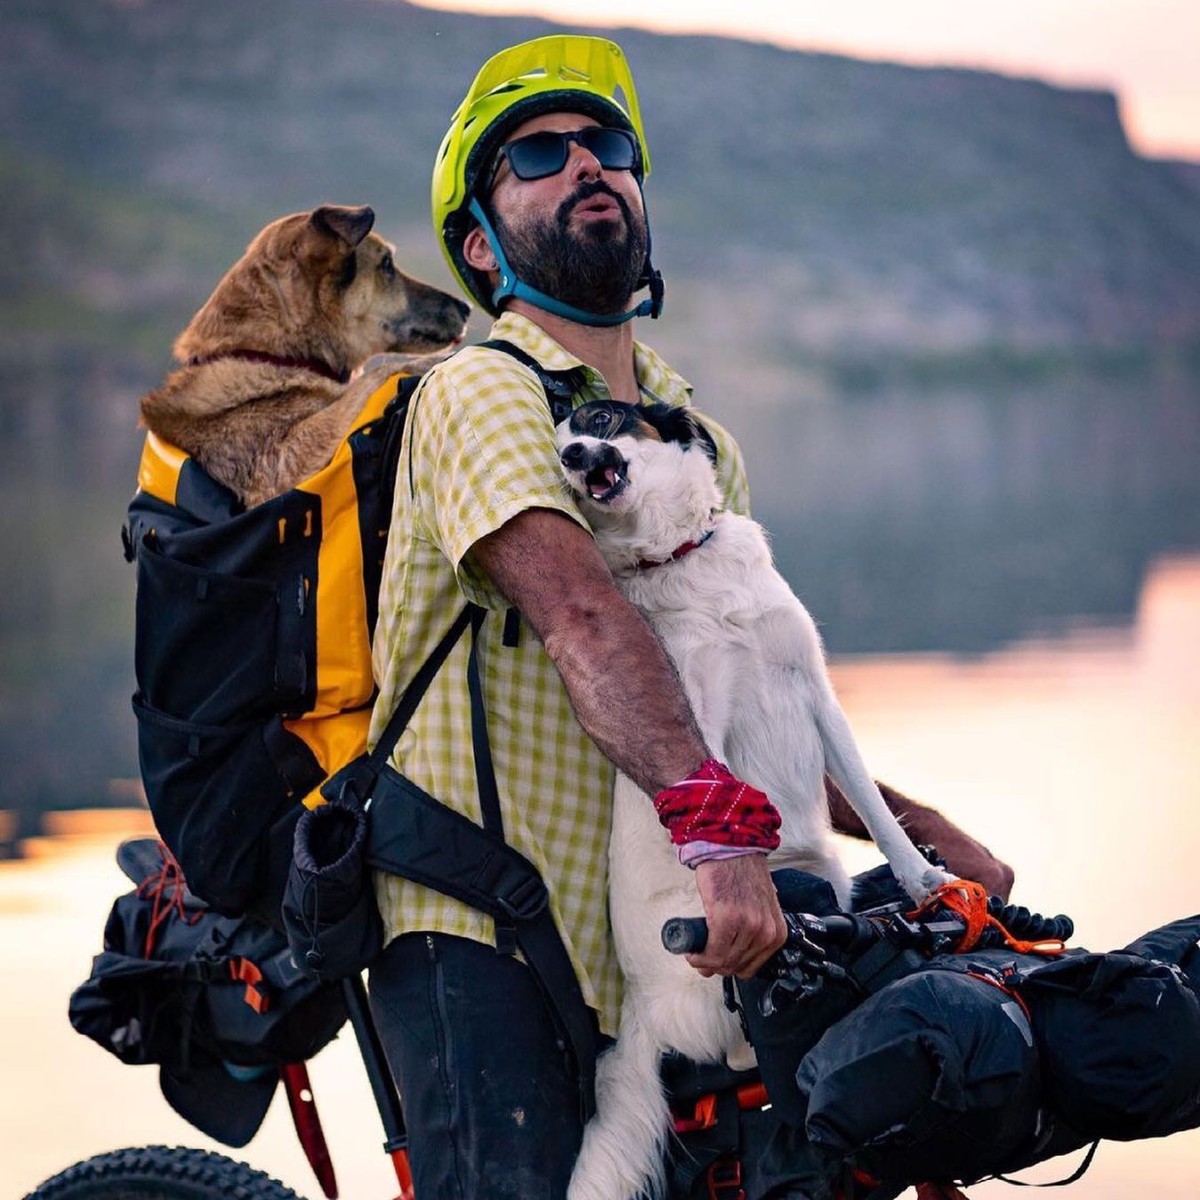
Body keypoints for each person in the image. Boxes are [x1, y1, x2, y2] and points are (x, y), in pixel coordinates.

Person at [364, 33, 1012, 1198]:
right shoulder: (479, 391)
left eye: (607, 146)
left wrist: (920, 845)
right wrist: (722, 842)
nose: (586, 167)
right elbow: (581, 620)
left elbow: (751, 706)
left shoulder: (692, 436)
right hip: (482, 933)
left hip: (673, 934)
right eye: (540, 156)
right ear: (480, 241)